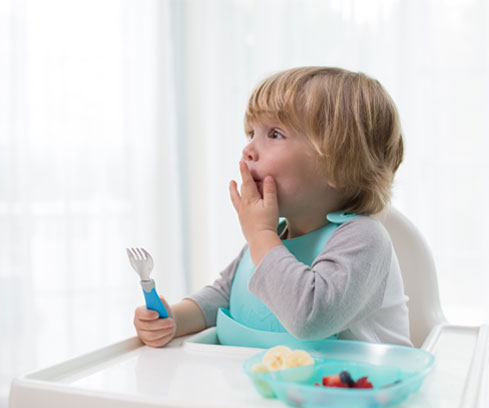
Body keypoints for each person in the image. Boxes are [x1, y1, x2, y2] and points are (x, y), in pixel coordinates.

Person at [133, 66, 411, 348]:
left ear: (340, 165)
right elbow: (226, 295)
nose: (248, 150)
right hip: (274, 386)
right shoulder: (273, 237)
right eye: (251, 133)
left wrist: (261, 236)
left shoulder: (363, 239)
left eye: (275, 134)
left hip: (361, 389)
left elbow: (310, 317)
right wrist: (173, 319)